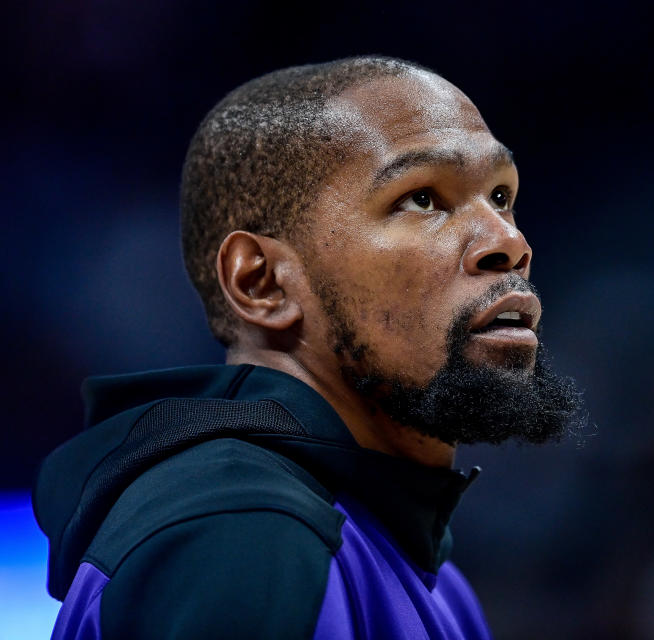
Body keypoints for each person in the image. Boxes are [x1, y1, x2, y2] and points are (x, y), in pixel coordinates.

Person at [34, 55, 580, 639]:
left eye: (500, 196)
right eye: (422, 198)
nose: (509, 242)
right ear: (260, 282)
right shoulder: (240, 534)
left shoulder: (422, 570)